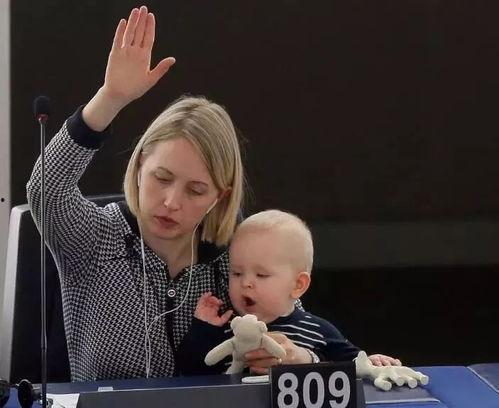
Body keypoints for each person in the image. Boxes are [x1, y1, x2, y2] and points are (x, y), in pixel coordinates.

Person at [26, 6, 314, 381]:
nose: (171, 202)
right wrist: (110, 99)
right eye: (162, 178)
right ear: (139, 165)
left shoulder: (239, 253)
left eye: (196, 190)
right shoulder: (95, 237)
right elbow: (46, 188)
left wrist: (299, 357)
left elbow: (303, 332)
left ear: (220, 197)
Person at [177, 210, 401, 375]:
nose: (245, 283)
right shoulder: (224, 329)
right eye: (236, 273)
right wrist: (202, 330)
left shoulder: (317, 330)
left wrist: (373, 362)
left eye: (261, 275)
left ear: (298, 286)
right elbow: (187, 373)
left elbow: (353, 366)